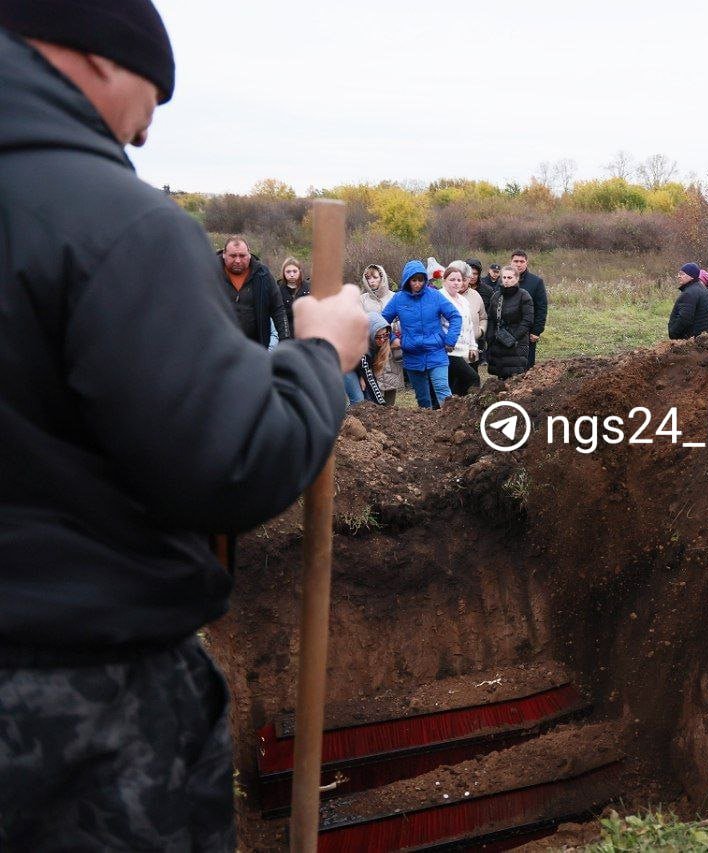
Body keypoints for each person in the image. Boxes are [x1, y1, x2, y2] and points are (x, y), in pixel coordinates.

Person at [0, 2, 369, 847]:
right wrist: (320, 358)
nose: (147, 132)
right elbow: (231, 458)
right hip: (74, 715)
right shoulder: (111, 220)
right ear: (97, 56)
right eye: (153, 97)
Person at [382, 260, 461, 409]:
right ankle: (429, 429)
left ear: (425, 279)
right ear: (407, 281)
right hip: (412, 355)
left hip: (436, 352)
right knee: (423, 398)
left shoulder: (435, 296)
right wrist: (393, 339)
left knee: (443, 391)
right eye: (414, 280)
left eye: (421, 280)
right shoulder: (399, 299)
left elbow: (455, 316)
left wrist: (450, 340)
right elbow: (382, 321)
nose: (417, 284)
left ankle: (451, 425)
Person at [219, 236, 290, 348]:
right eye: (233, 256)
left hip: (255, 348)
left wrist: (285, 341)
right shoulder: (210, 272)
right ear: (224, 254)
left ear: (249, 254)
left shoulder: (263, 275)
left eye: (242, 256)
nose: (238, 260)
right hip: (217, 348)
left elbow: (278, 310)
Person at [359, 263, 402, 405]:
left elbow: (400, 319)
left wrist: (394, 332)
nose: (372, 281)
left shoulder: (393, 297)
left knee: (391, 380)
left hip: (391, 343)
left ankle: (389, 410)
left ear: (381, 277)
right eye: (368, 278)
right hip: (371, 346)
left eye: (375, 277)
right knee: (372, 380)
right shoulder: (362, 299)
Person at [486, 264, 534, 379]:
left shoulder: (524, 295)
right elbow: (491, 318)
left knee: (514, 377)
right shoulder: (496, 296)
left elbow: (527, 320)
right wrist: (490, 337)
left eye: (510, 278)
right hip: (498, 341)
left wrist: (513, 337)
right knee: (500, 376)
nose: (506, 280)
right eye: (504, 277)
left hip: (516, 343)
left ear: (516, 279)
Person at [440, 266, 480, 395]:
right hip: (448, 350)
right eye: (452, 279)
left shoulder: (463, 300)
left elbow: (469, 325)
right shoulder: (439, 297)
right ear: (444, 280)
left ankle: (456, 410)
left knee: (456, 384)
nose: (456, 283)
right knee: (472, 378)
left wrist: (473, 346)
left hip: (463, 349)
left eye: (459, 280)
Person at [511, 250, 547, 368]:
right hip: (507, 331)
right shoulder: (504, 280)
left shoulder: (536, 282)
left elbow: (541, 308)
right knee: (507, 365)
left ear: (526, 263)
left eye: (522, 261)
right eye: (516, 261)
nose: (519, 264)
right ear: (511, 262)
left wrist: (537, 331)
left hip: (528, 332)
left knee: (526, 367)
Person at [668, 262, 708, 340]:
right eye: (679, 274)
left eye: (682, 274)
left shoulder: (689, 293)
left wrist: (673, 333)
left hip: (688, 339)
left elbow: (684, 318)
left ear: (691, 276)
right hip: (699, 338)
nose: (679, 276)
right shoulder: (702, 289)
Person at [354, 312, 391, 405]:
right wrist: (382, 404)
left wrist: (362, 375)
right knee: (358, 399)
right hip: (341, 365)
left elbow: (367, 372)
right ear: (370, 335)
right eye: (377, 337)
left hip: (357, 365)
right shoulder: (362, 347)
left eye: (385, 335)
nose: (382, 340)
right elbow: (370, 379)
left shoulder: (378, 345)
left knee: (366, 392)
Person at [277, 256, 311, 332]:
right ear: (283, 272)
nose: (292, 275)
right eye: (288, 272)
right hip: (285, 333)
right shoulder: (277, 291)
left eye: (295, 271)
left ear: (299, 272)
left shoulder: (309, 289)